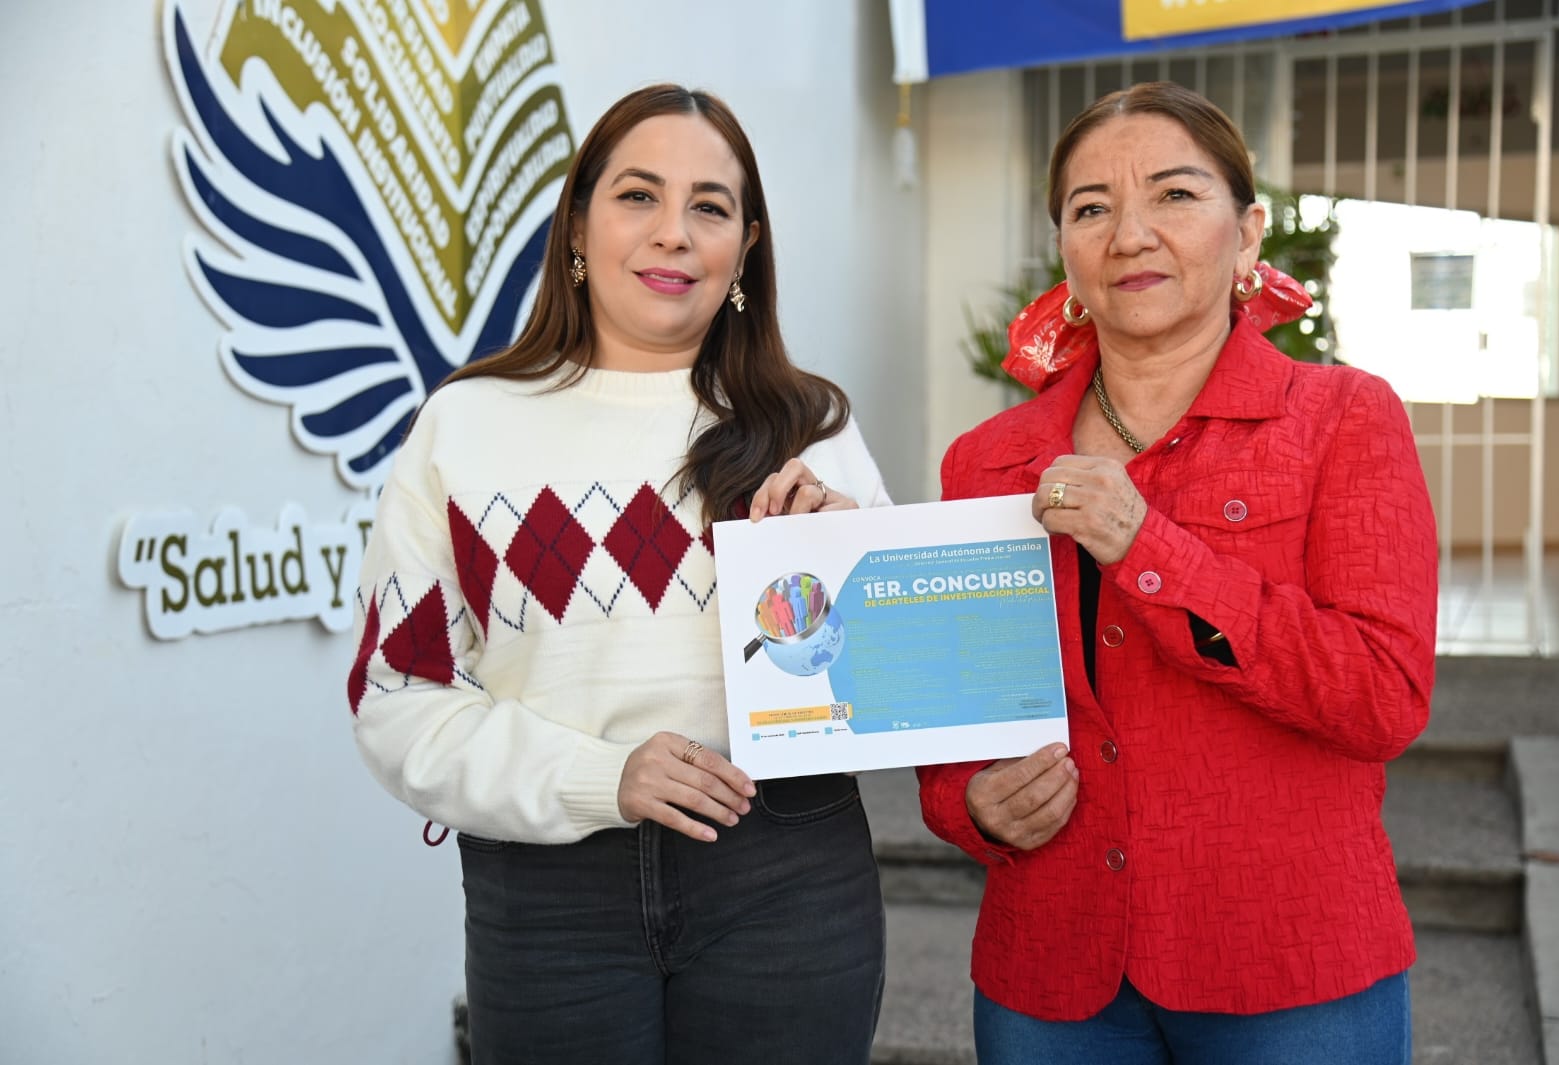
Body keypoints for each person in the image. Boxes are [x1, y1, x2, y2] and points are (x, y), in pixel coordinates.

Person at [347, 84, 891, 1065]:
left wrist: (845, 580)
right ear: (576, 227)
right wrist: (604, 777)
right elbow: (399, 697)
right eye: (638, 195)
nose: (672, 231)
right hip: (548, 898)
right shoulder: (462, 428)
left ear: (745, 249)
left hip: (787, 877)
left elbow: (894, 686)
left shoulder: (815, 430)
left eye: (709, 207)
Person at [919, 82, 1438, 1064]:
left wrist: (1148, 548)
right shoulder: (986, 461)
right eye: (1091, 208)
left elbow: (1384, 697)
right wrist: (968, 804)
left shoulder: (1343, 419)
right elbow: (952, 729)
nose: (1130, 234)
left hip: (1289, 964)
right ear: (1065, 254)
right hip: (1052, 967)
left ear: (1247, 236)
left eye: (1174, 194)